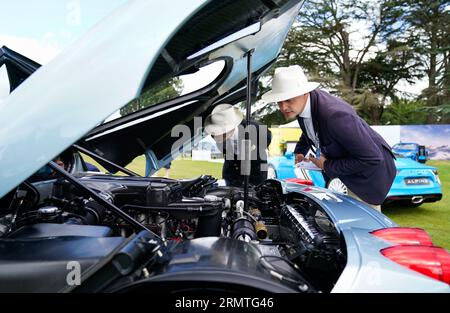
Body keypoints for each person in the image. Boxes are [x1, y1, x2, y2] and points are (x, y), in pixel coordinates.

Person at [262, 65, 395, 211]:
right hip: (349, 175)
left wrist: (326, 165)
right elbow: (309, 127)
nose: (283, 107)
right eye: (279, 101)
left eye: (288, 100)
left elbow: (371, 157)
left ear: (304, 92)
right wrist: (300, 150)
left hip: (367, 180)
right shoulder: (303, 105)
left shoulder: (336, 116)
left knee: (363, 230)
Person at [204, 103, 271, 187]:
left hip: (255, 172)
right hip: (231, 173)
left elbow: (267, 139)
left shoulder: (257, 128)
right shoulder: (215, 134)